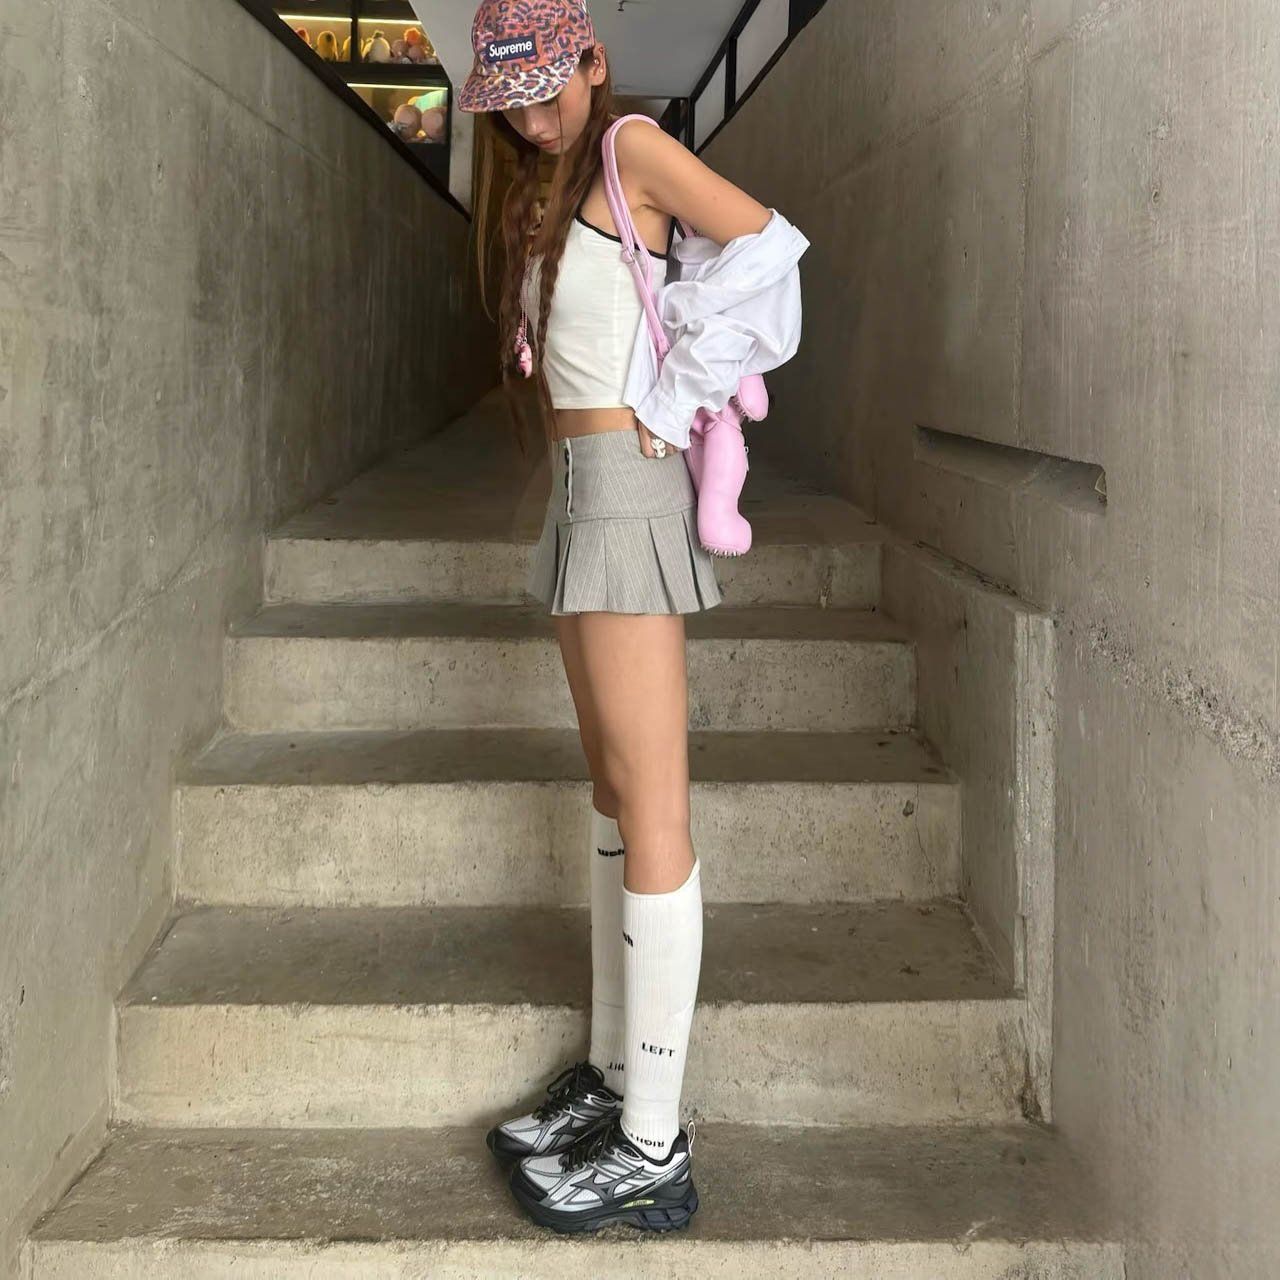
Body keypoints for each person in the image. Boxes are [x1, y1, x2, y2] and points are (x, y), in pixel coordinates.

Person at [457, 0, 808, 1235]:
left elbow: (769, 250)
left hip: (623, 489)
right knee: (612, 788)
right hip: (576, 494)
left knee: (654, 803)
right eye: (512, 102)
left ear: (591, 63)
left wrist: (676, 390)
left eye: (546, 88)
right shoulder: (547, 189)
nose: (532, 116)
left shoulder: (631, 147)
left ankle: (651, 1142)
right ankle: (613, 1080)